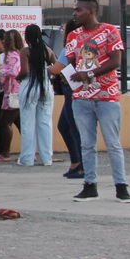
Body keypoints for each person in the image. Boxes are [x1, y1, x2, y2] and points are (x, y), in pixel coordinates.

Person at [66, 0, 130, 203]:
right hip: (81, 97)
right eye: (75, 10)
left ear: (92, 11)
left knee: (112, 143)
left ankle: (121, 187)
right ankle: (89, 185)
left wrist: (89, 74)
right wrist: (72, 75)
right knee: (86, 144)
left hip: (106, 96)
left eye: (79, 10)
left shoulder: (110, 31)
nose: (75, 14)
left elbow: (115, 61)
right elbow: (72, 62)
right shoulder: (73, 35)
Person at [16, 24, 57, 167]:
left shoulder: (25, 51)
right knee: (45, 123)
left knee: (27, 124)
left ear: (27, 37)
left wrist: (17, 77)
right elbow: (56, 67)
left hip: (29, 86)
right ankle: (47, 159)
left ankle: (27, 159)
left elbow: (25, 71)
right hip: (45, 86)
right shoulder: (48, 51)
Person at [52, 19, 85, 178]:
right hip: (69, 90)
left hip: (72, 90)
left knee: (73, 128)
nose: (62, 31)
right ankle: (75, 162)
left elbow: (57, 69)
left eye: (63, 28)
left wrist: (42, 67)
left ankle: (81, 166)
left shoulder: (69, 47)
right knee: (64, 126)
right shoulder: (72, 46)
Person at [0, 29, 23, 163]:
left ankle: (5, 153)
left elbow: (13, 72)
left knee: (5, 122)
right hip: (15, 91)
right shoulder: (19, 54)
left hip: (11, 92)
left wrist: (1, 70)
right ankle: (29, 149)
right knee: (19, 122)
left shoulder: (11, 55)